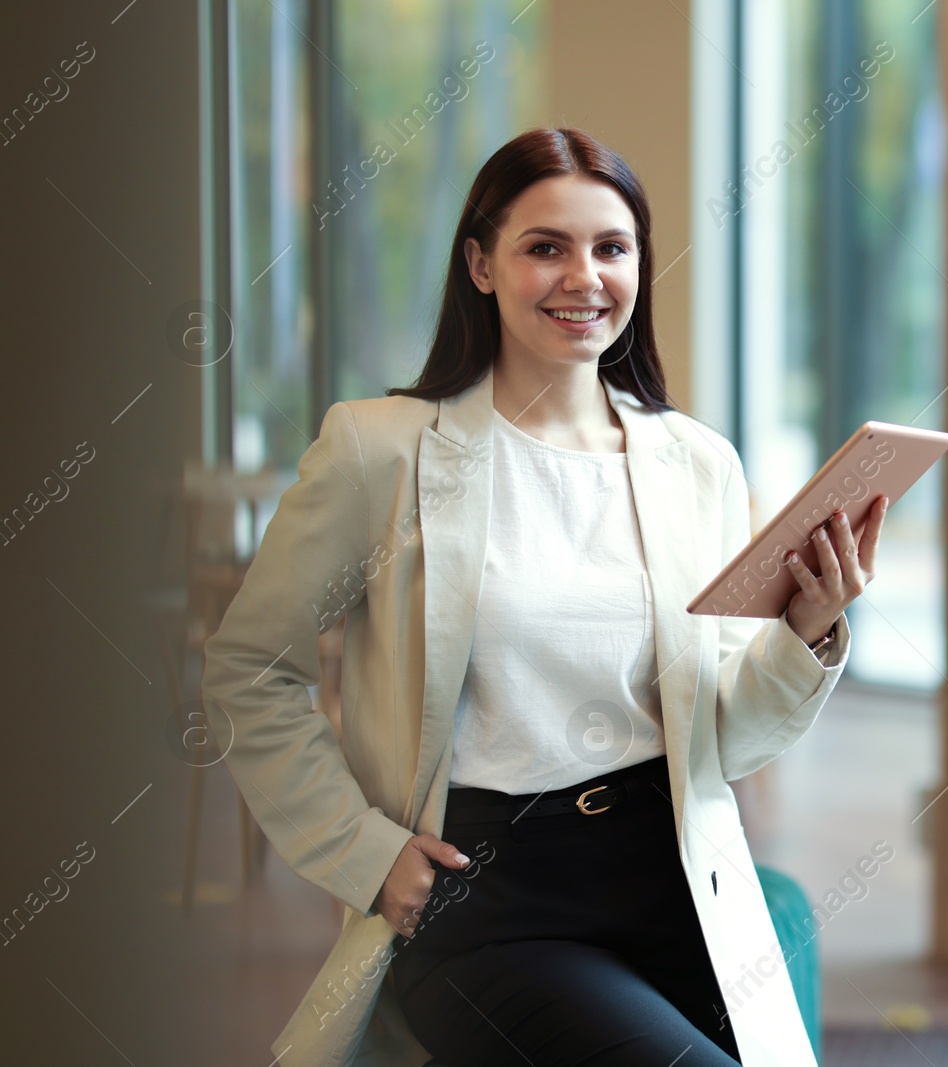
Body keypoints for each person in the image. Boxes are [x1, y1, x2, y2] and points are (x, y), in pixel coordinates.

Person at [201, 127, 886, 1067]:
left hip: (679, 880)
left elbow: (727, 740)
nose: (584, 277)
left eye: (612, 247)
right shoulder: (379, 450)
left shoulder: (696, 463)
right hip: (490, 902)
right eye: (545, 248)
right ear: (480, 264)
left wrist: (802, 633)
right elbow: (250, 669)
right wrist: (362, 853)